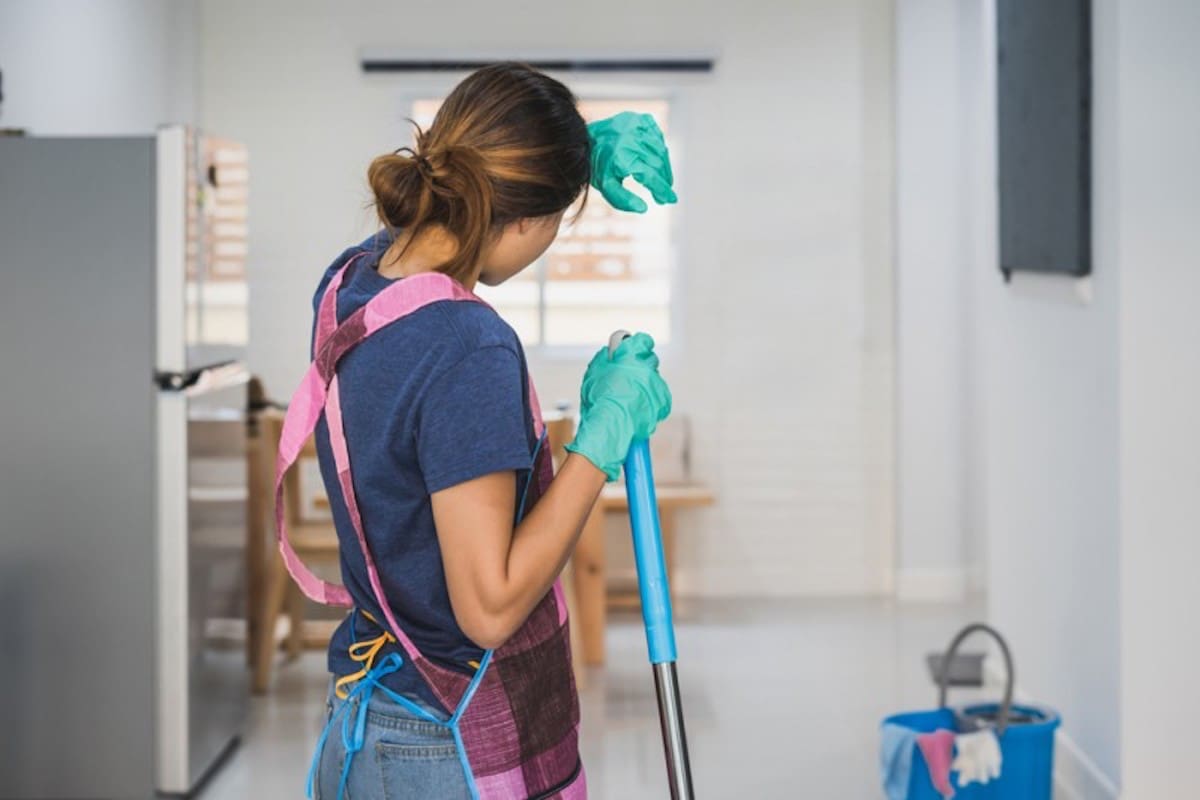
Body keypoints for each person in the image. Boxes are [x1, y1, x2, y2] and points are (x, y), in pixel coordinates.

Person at [275, 62, 676, 800]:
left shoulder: (352, 281)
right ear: (523, 217)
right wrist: (600, 440)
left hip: (366, 722)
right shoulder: (468, 345)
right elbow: (488, 608)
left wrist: (569, 155)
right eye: (555, 220)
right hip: (438, 749)